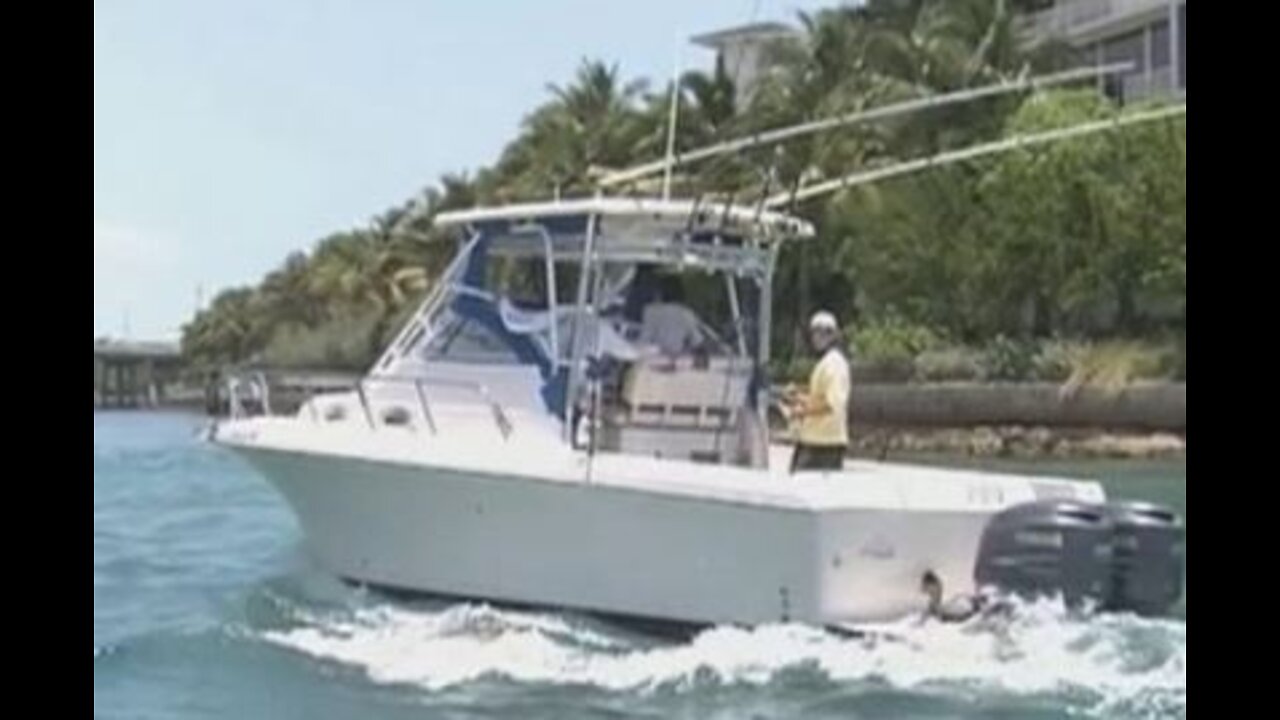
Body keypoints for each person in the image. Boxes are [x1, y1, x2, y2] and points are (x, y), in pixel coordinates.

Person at [784, 311, 851, 473]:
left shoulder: (834, 364)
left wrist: (801, 411)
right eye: (815, 332)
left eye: (825, 332)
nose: (818, 337)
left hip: (824, 444)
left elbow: (832, 404)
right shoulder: (826, 363)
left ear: (834, 336)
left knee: (802, 489)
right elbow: (820, 397)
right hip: (814, 440)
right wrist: (799, 397)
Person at [638, 275, 704, 357]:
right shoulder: (687, 313)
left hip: (652, 359)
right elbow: (697, 341)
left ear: (660, 292)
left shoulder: (650, 311)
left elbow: (644, 339)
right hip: (677, 361)